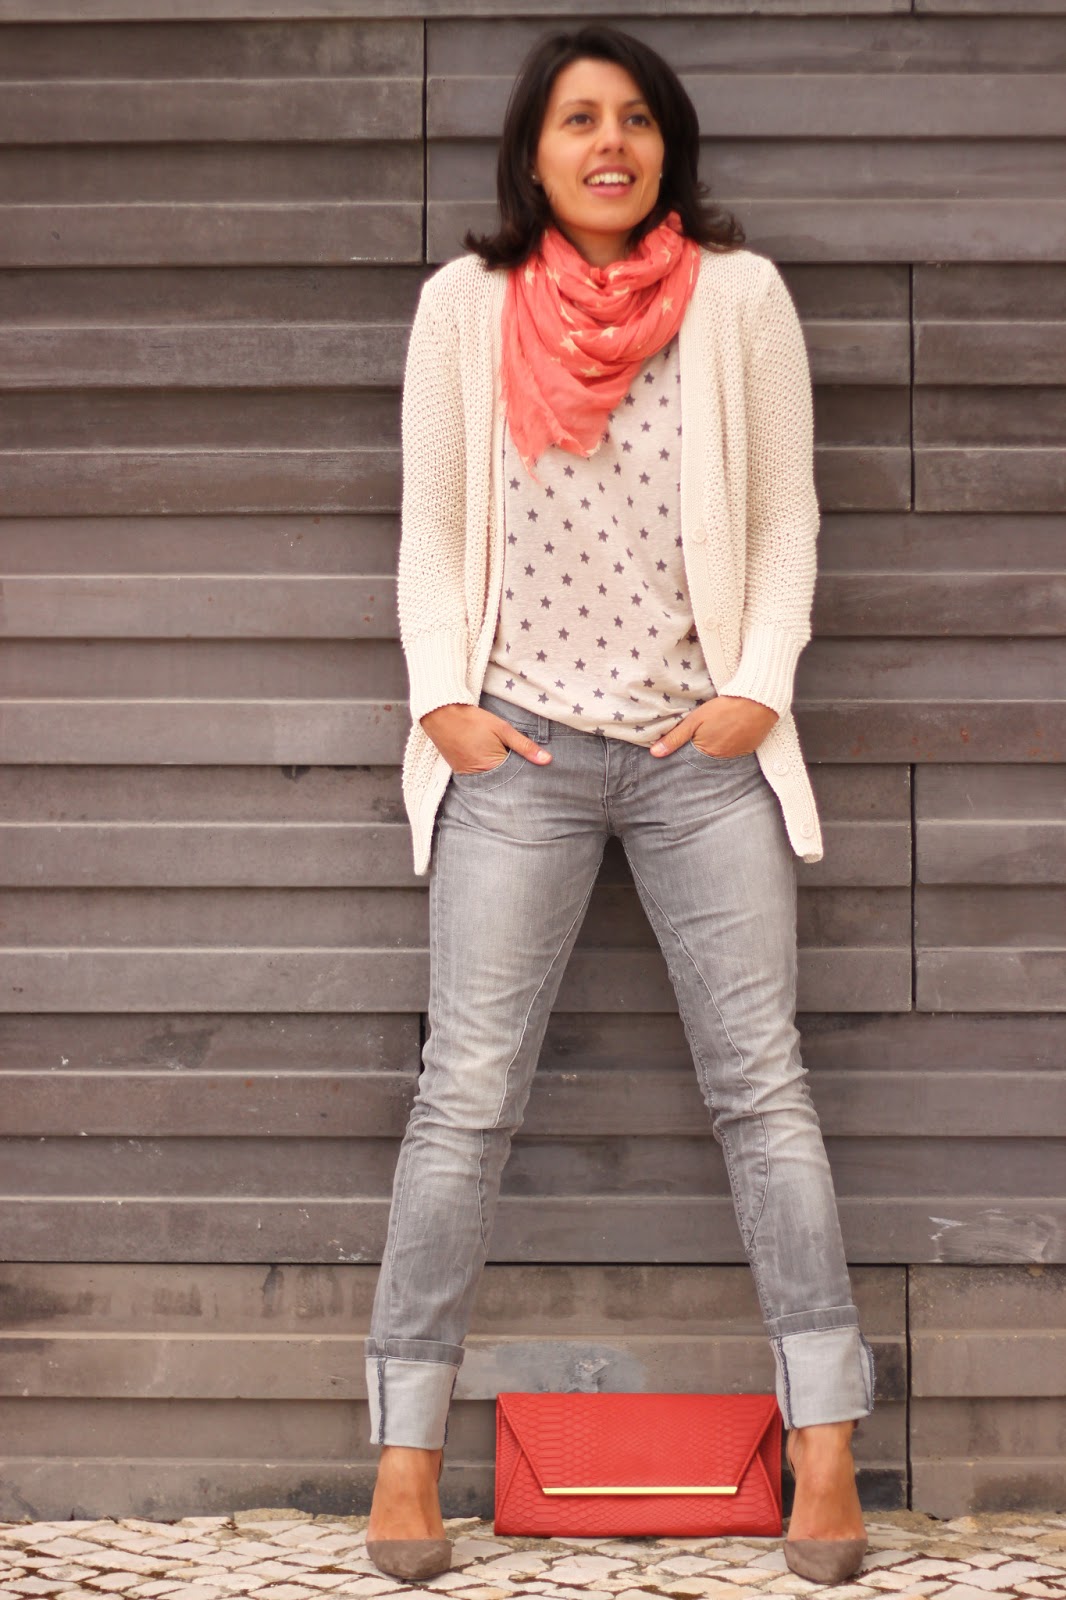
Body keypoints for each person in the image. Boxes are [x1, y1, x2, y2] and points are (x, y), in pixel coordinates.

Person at [364, 23, 875, 1587]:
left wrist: (757, 687)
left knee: (761, 1088)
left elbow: (784, 521)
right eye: (578, 119)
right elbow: (430, 528)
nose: (610, 143)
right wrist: (441, 704)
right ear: (532, 153)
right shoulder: (463, 309)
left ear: (668, 148)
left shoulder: (738, 299)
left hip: (695, 756)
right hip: (513, 751)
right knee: (465, 1096)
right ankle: (403, 1459)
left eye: (636, 119)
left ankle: (826, 1449)